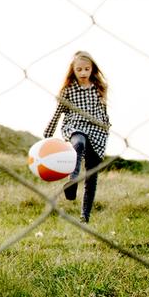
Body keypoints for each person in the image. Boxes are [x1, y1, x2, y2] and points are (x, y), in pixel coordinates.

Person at [43, 50, 110, 223]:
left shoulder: (99, 87)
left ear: (92, 69)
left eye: (87, 69)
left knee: (92, 175)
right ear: (73, 70)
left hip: (97, 130)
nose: (83, 73)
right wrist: (48, 133)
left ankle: (85, 216)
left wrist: (105, 130)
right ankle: (72, 181)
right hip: (75, 125)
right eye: (79, 69)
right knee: (78, 143)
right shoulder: (68, 90)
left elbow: (103, 112)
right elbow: (58, 112)